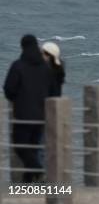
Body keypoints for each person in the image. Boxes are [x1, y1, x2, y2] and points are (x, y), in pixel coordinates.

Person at [3, 35, 59, 183]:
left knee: (20, 146)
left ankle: (39, 172)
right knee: (33, 149)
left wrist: (16, 100)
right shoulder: (46, 68)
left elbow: (9, 88)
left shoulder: (18, 65)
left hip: (23, 115)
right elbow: (54, 91)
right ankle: (27, 183)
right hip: (41, 116)